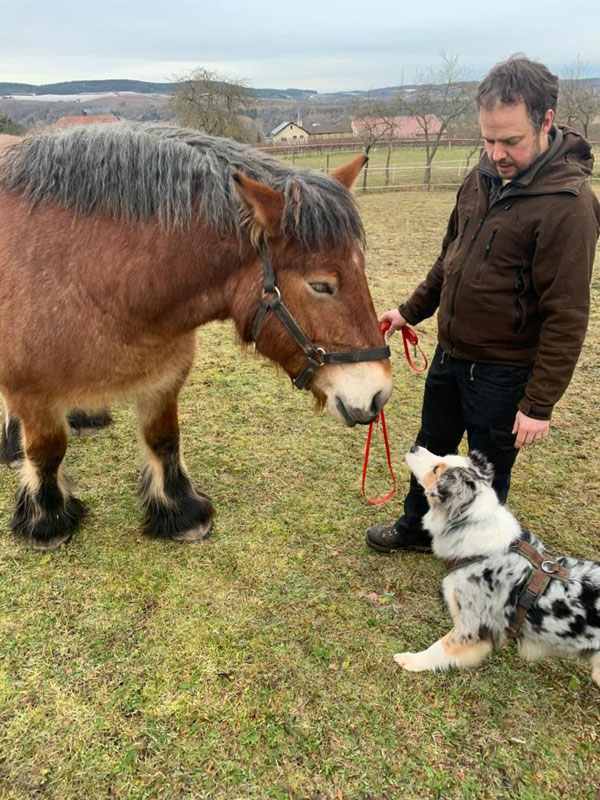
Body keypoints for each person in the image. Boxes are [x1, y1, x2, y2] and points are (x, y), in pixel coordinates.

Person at [366, 55, 600, 554]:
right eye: (488, 139)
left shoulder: (569, 205)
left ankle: (478, 555)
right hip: (451, 357)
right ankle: (416, 528)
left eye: (510, 140)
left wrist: (539, 403)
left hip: (504, 373)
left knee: (486, 468)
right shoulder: (479, 179)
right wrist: (409, 311)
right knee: (430, 450)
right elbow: (449, 259)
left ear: (546, 121)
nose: (496, 153)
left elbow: (567, 314)